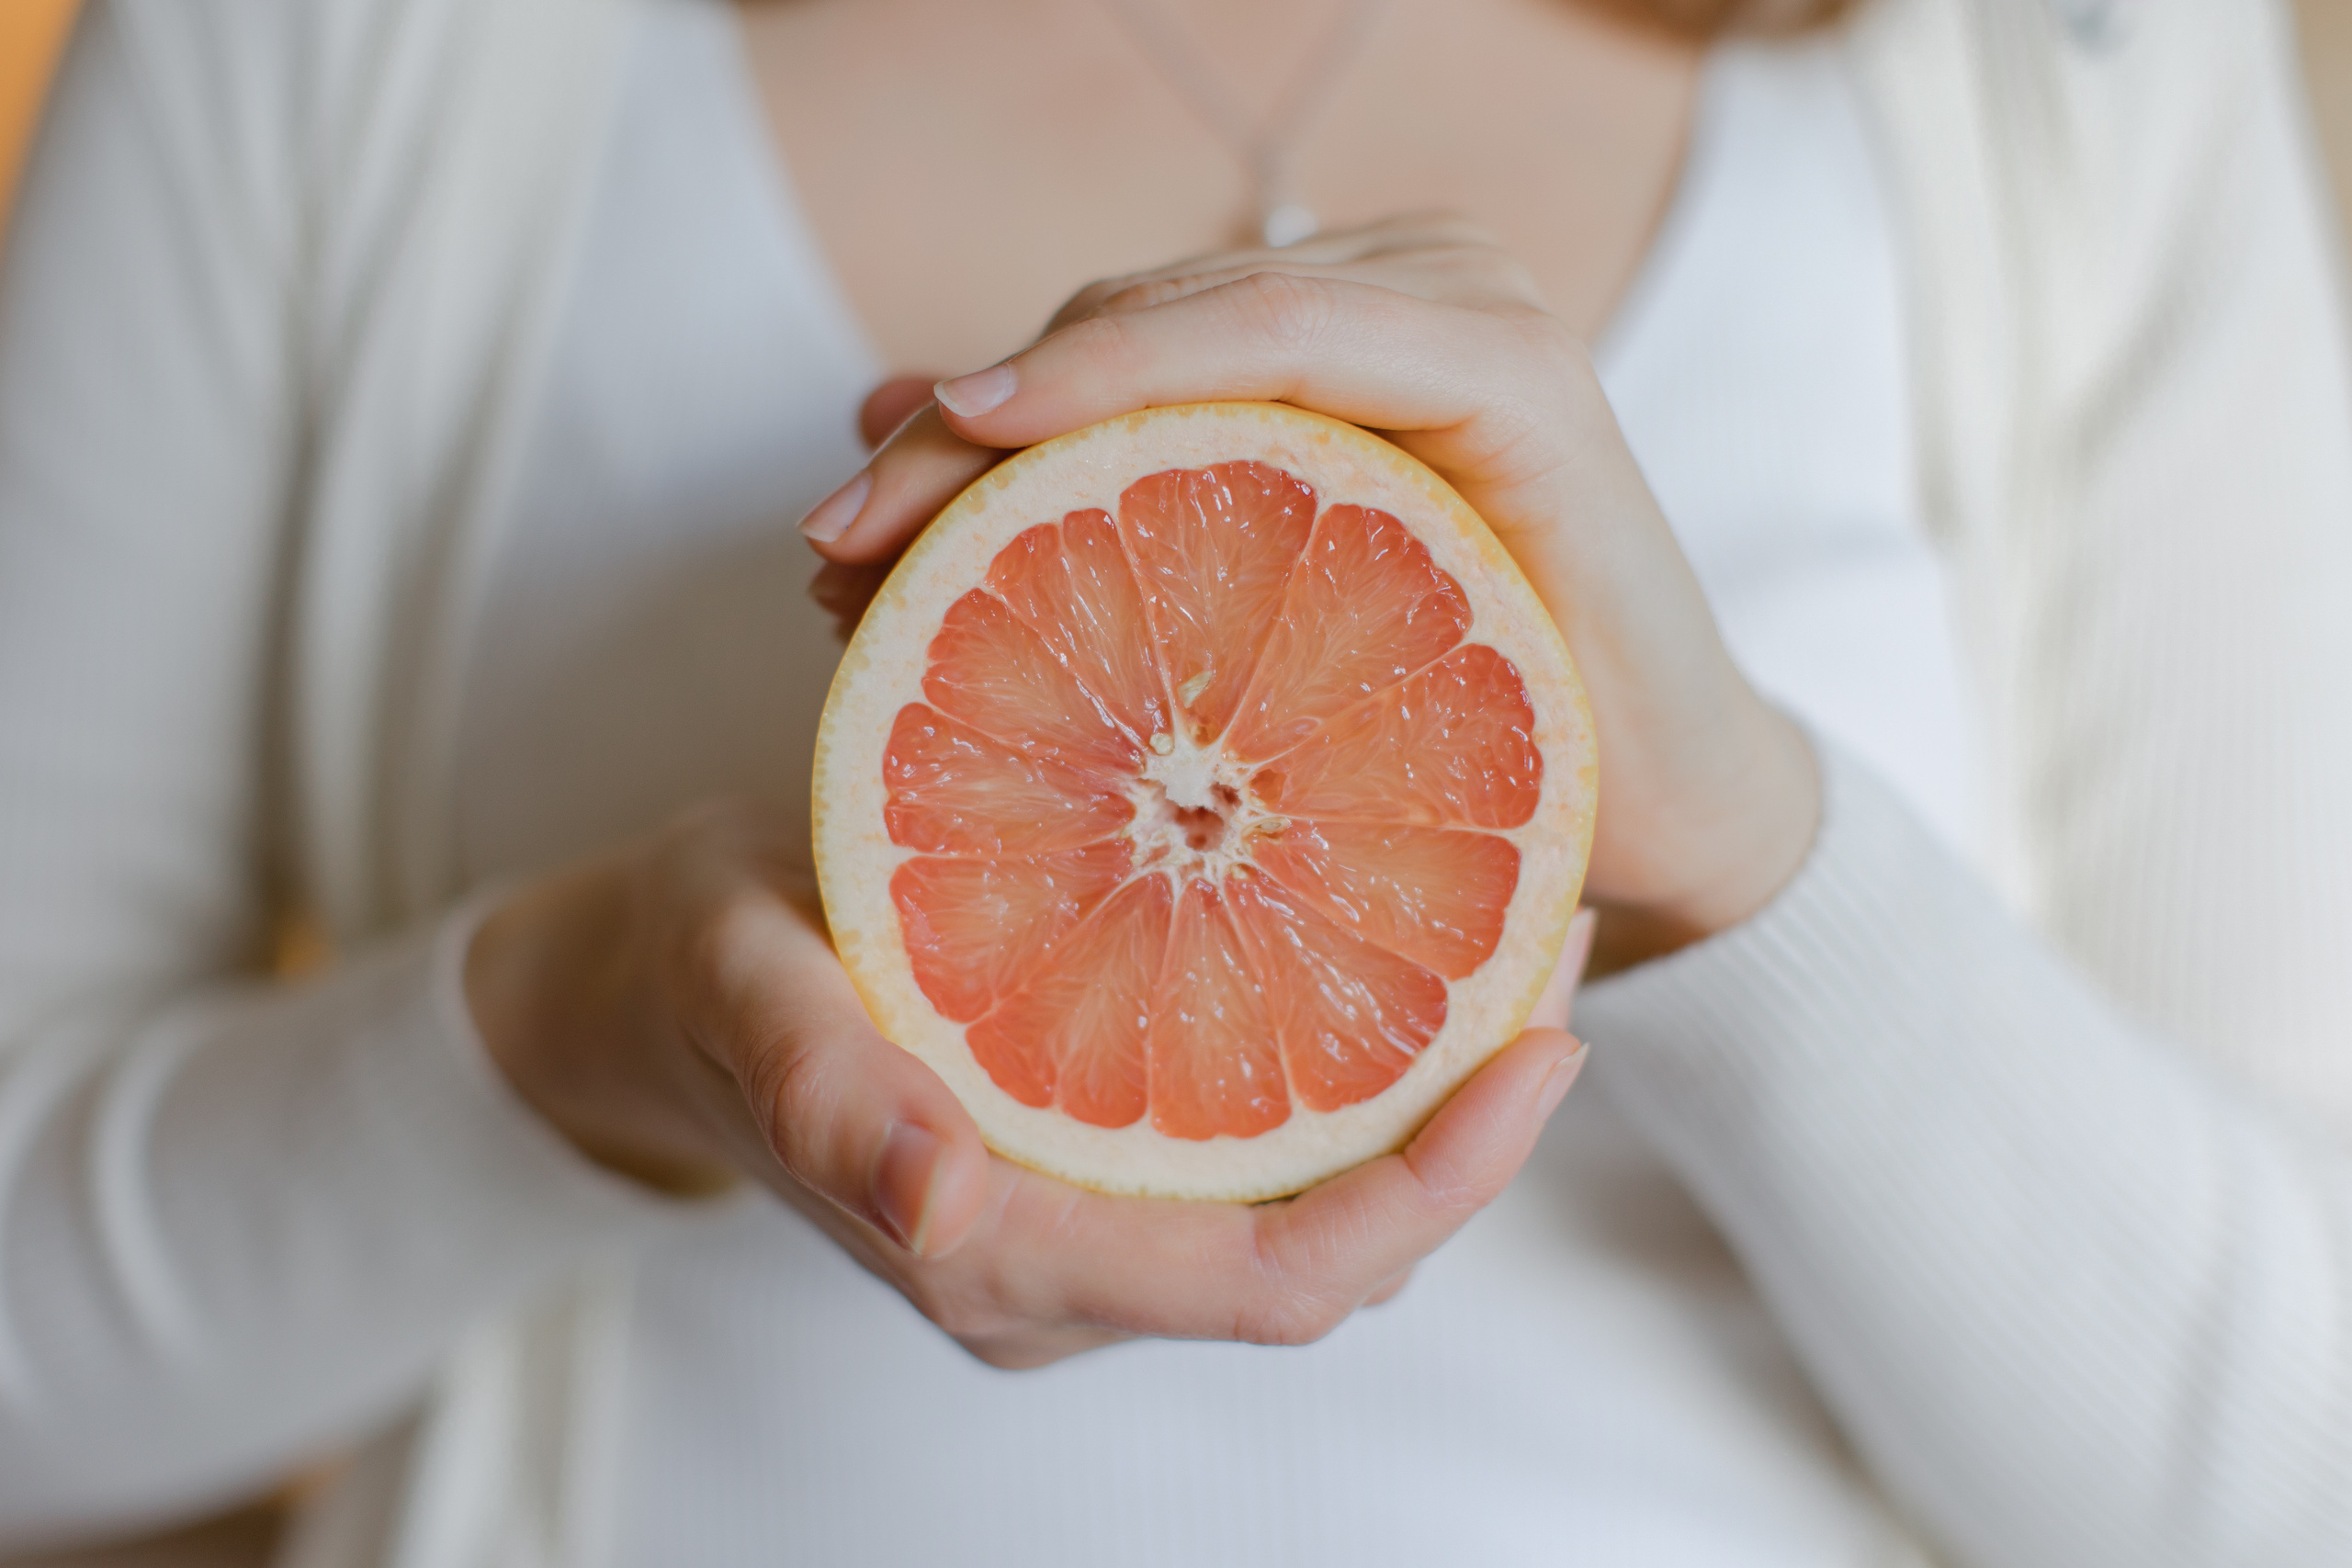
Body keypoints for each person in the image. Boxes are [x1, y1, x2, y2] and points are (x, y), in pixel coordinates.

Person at [1, 0, 2347, 1563]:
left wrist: (1740, 850)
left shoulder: (2073, 69)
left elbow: (2292, 1477)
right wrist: (584, 1027)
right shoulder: (310, 48)